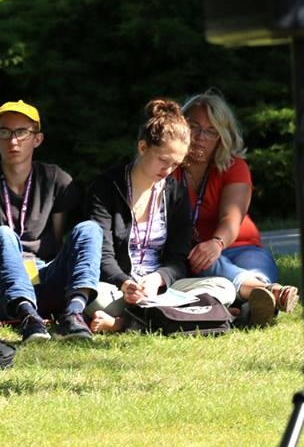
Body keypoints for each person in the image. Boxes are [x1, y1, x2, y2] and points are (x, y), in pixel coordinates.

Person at [85, 99, 237, 333]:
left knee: (224, 288)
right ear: (143, 147)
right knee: (94, 297)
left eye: (176, 164)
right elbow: (102, 255)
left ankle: (126, 323)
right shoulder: (106, 188)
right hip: (118, 288)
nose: (168, 171)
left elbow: (178, 258)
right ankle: (199, 315)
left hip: (162, 290)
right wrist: (126, 283)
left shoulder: (175, 192)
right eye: (163, 160)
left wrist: (158, 279)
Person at [0, 100, 103, 342]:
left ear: (37, 139)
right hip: (0, 289)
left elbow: (58, 241)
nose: (13, 141)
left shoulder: (57, 179)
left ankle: (73, 313)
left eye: (22, 132)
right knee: (4, 234)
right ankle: (27, 318)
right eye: (5, 132)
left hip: (43, 277)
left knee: (90, 229)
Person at [176, 90, 298, 325]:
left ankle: (250, 304)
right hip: (196, 254)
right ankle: (264, 296)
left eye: (211, 131)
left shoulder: (234, 166)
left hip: (239, 246)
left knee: (253, 270)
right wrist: (209, 249)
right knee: (204, 260)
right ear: (180, 127)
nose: (200, 137)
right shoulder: (166, 167)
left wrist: (216, 243)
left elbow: (231, 218)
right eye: (193, 127)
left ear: (222, 136)